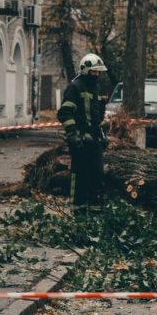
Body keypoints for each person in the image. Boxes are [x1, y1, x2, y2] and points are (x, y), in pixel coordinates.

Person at [58, 53, 109, 206]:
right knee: (80, 177)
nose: (97, 74)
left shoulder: (97, 89)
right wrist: (73, 134)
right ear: (85, 70)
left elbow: (98, 117)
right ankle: (78, 210)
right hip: (80, 141)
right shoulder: (75, 87)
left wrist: (103, 134)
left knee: (97, 175)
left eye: (98, 72)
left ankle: (95, 212)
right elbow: (64, 113)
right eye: (94, 71)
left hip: (94, 140)